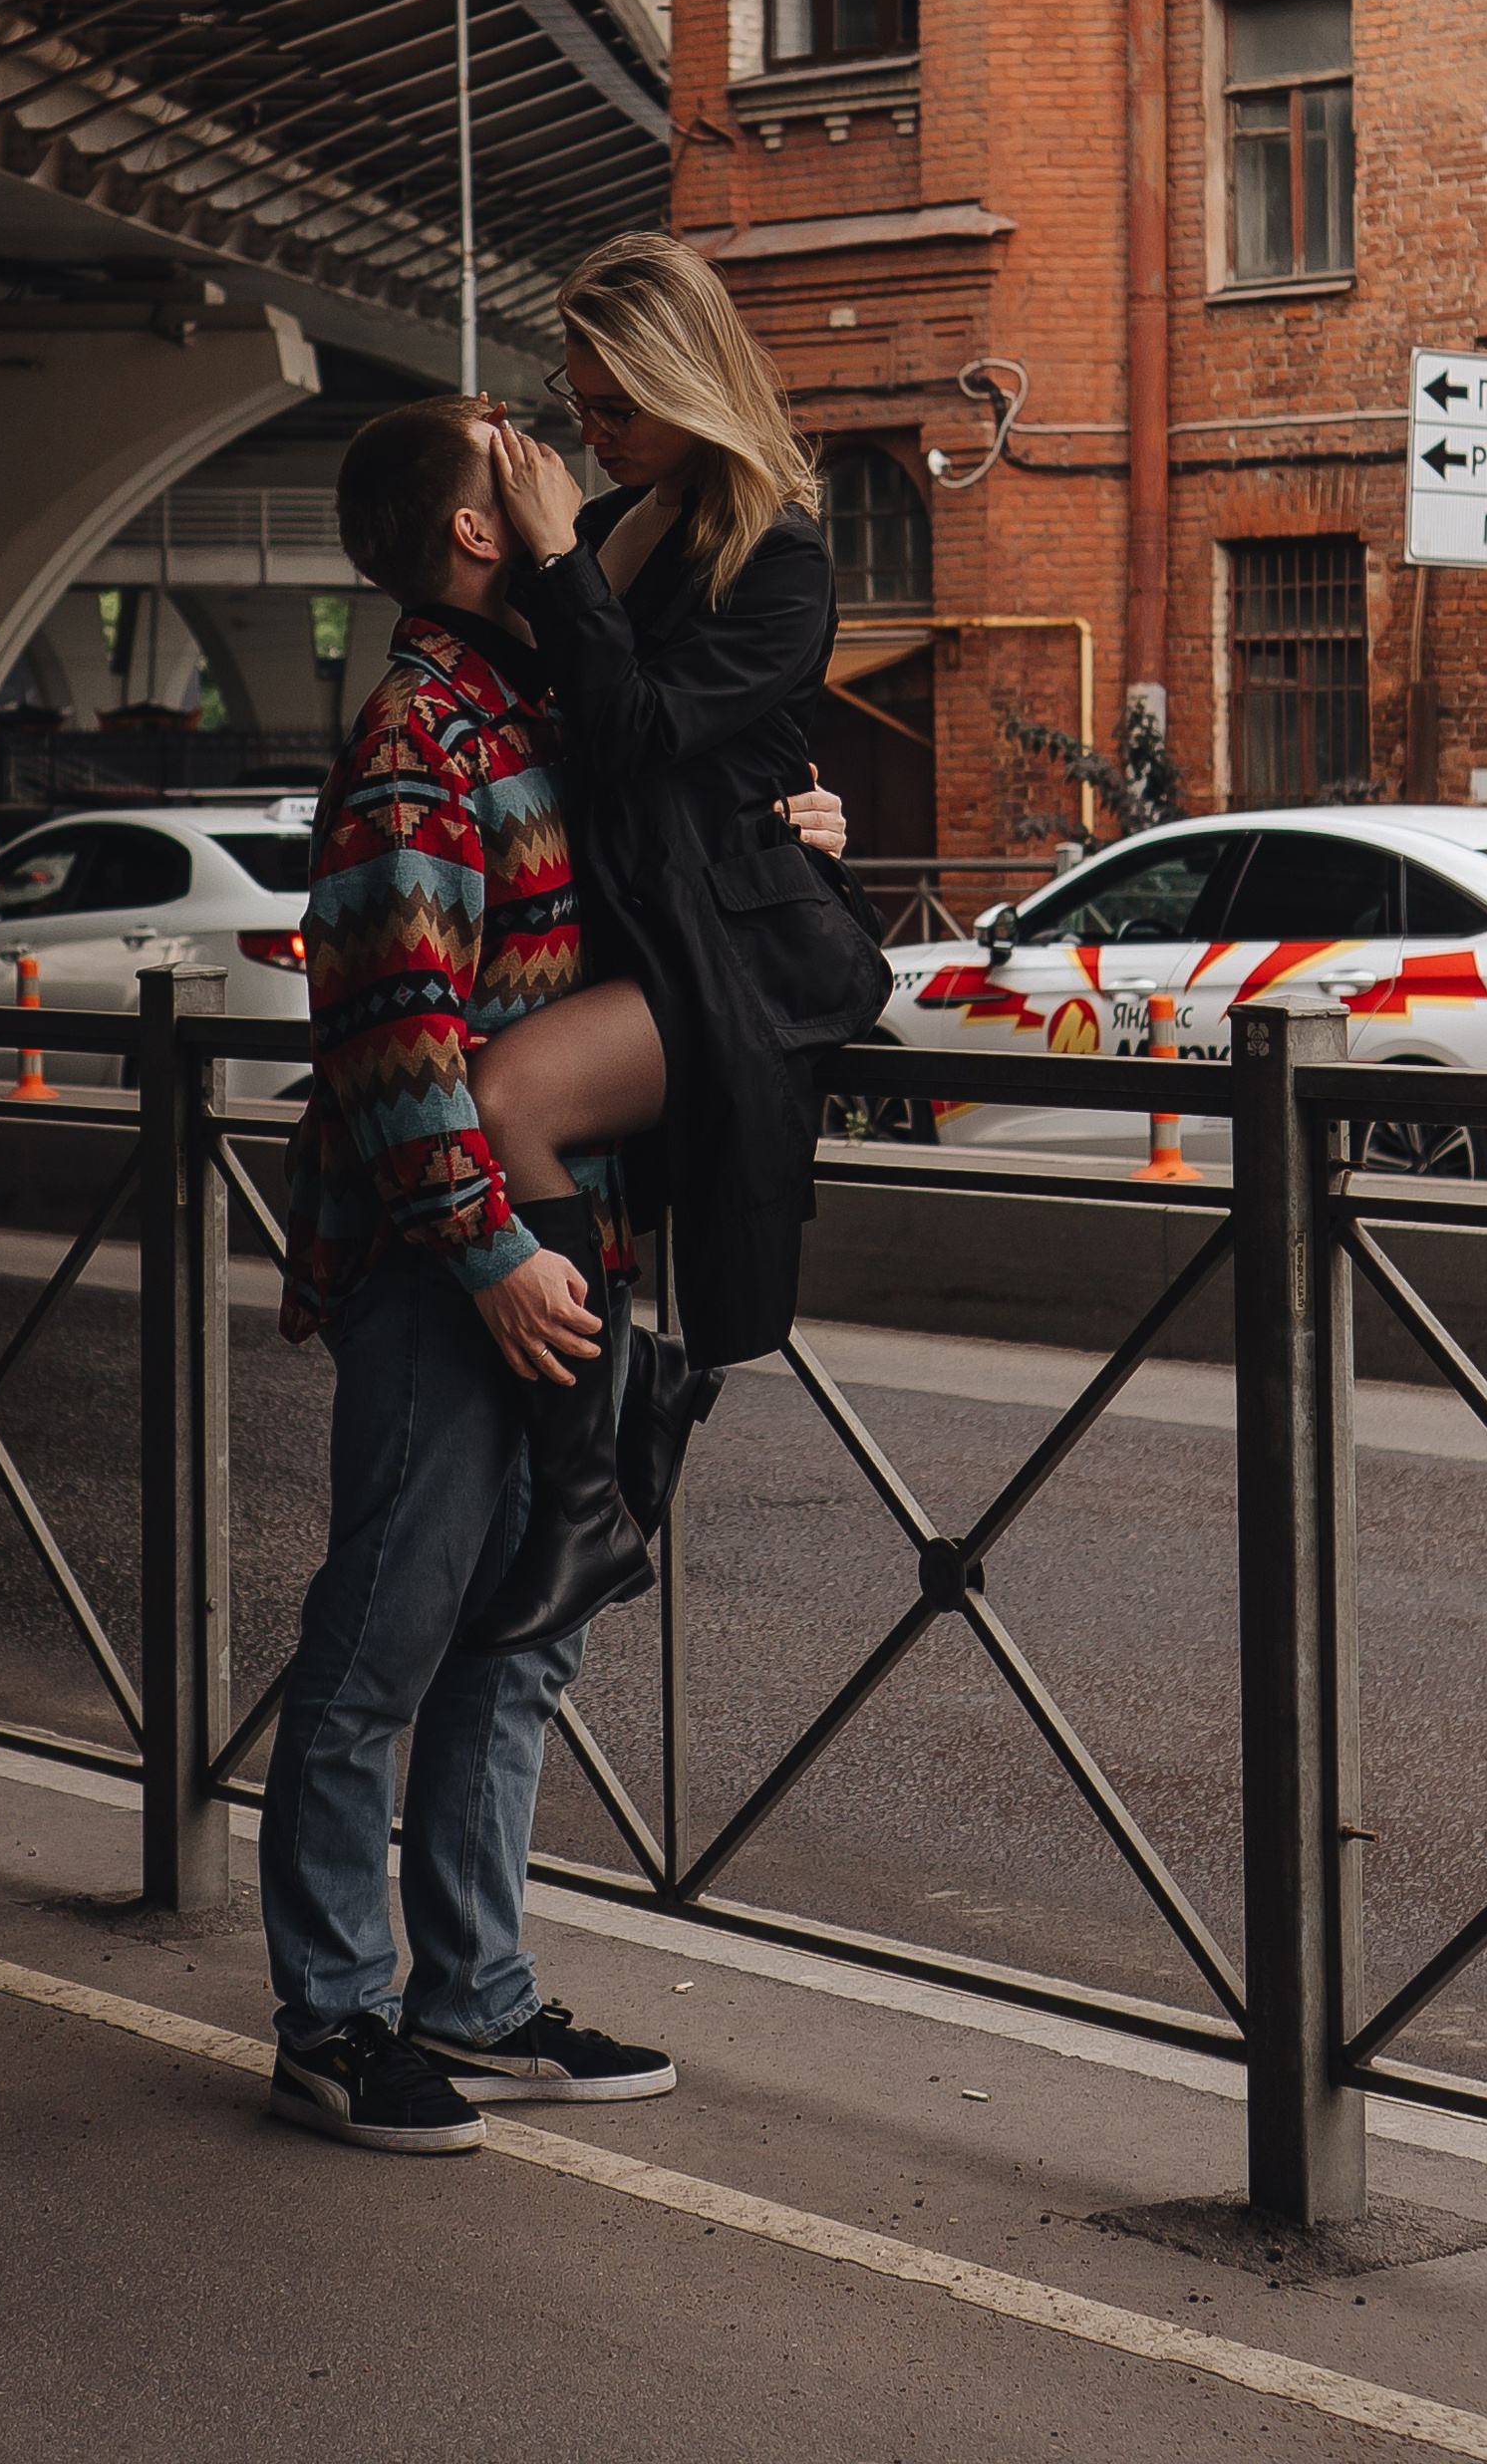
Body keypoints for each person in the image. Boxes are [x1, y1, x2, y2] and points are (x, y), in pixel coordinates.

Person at [259, 390, 844, 2153]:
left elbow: (660, 893)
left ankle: (477, 1997)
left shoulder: (540, 699)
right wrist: (493, 1250)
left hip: (564, 1235)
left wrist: (786, 837)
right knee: (384, 1639)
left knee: (518, 1643)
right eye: (514, 439)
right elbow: (386, 1036)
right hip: (462, 1259)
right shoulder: (418, 734)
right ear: (470, 527)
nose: (553, 453)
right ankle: (334, 2019)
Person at [462, 232, 891, 1647]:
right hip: (633, 923)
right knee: (513, 1107)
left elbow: (640, 731)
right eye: (576, 406)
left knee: (509, 1100)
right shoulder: (608, 532)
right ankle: (627, 1421)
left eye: (613, 408)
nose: (590, 434)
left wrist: (545, 555)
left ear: (686, 385)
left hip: (734, 942)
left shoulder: (778, 551)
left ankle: (592, 1499)